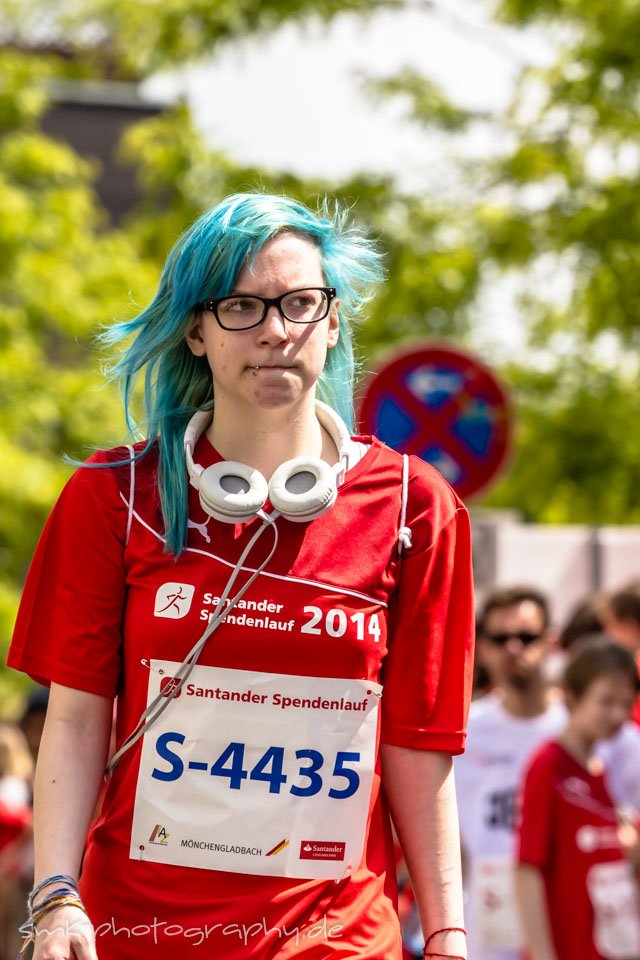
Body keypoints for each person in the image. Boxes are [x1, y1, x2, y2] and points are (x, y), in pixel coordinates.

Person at [7, 193, 475, 960]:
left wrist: (449, 935)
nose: (275, 331)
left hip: (339, 940)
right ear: (194, 329)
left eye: (299, 303)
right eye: (241, 306)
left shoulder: (413, 507)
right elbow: (76, 719)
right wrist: (57, 897)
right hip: (141, 934)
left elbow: (419, 745)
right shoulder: (113, 497)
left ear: (332, 322)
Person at [454, 585, 566, 960]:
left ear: (551, 643)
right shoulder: (461, 731)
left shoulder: (579, 730)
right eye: (500, 638)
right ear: (482, 648)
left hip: (565, 920)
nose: (513, 649)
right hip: (485, 933)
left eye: (526, 637)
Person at [516, 637, 640, 960]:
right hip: (567, 947)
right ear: (572, 694)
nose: (616, 714)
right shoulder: (547, 765)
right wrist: (542, 954)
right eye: (606, 701)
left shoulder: (603, 769)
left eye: (625, 704)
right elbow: (528, 868)